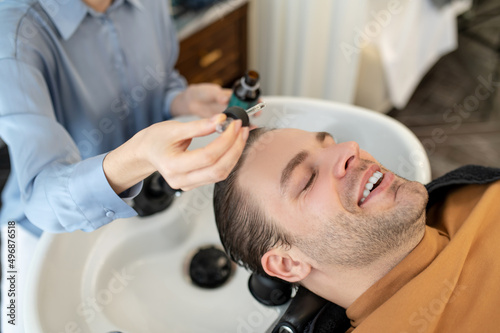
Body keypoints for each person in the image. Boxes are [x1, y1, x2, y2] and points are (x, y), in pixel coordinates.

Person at [0, 0, 249, 331]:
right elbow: (40, 196)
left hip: (141, 195)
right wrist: (138, 158)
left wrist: (180, 99)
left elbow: (159, 82)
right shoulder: (14, 36)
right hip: (35, 231)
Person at [213, 127, 500, 332]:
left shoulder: (473, 192)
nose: (349, 148)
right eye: (309, 179)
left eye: (329, 143)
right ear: (288, 263)